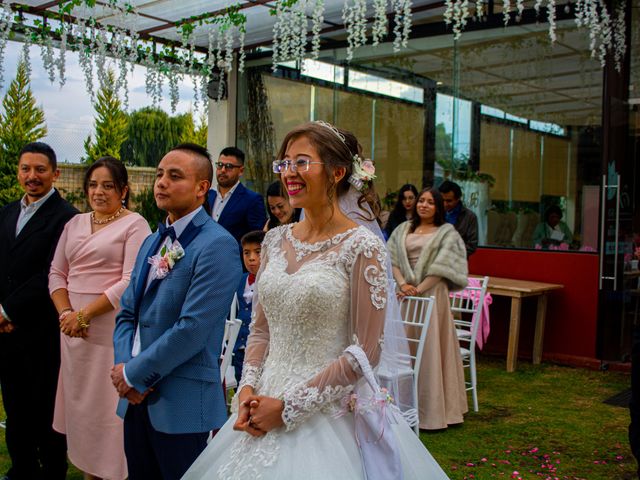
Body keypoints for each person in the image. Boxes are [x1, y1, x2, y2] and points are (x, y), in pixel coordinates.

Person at [183, 121, 448, 479]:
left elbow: (365, 352)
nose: (289, 173)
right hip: (261, 403)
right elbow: (261, 330)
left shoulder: (362, 247)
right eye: (285, 163)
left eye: (302, 162)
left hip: (324, 414)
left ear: (338, 172)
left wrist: (288, 408)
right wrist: (246, 389)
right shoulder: (274, 241)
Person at [111, 143, 242, 480]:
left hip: (181, 403)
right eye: (159, 175)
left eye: (174, 176)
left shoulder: (218, 245)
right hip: (135, 398)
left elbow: (192, 328)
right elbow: (127, 314)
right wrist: (126, 370)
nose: (161, 183)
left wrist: (135, 375)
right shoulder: (152, 241)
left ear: (202, 188)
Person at [48, 157, 151, 480]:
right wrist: (66, 314)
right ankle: (88, 472)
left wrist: (84, 314)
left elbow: (131, 280)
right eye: (93, 185)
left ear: (123, 189)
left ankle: (113, 473)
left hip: (107, 330)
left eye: (107, 185)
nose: (99, 192)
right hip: (73, 335)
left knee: (108, 412)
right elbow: (56, 273)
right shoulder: (74, 224)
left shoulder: (135, 224)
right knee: (81, 411)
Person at [0, 142, 77, 480]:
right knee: (14, 408)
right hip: (6, 333)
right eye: (25, 169)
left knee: (46, 411)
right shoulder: (5, 213)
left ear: (55, 173)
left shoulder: (68, 219)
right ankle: (21, 470)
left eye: (40, 170)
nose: (32, 176)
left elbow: (52, 272)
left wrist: (8, 310)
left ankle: (51, 471)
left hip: (42, 332)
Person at [387, 187, 469, 430]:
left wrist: (419, 288)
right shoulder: (403, 228)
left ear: (438, 207)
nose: (423, 205)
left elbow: (442, 267)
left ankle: (432, 411)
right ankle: (401, 406)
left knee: (431, 350)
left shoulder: (446, 233)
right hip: (405, 296)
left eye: (430, 202)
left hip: (432, 294)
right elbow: (391, 258)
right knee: (405, 349)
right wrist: (403, 284)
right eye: (421, 200)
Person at [206, 146, 267, 244]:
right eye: (220, 165)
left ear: (241, 171)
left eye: (229, 166)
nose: (223, 170)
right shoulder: (207, 196)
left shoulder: (252, 200)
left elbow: (257, 240)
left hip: (235, 257)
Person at [232, 230, 266, 383]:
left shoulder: (271, 281)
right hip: (240, 349)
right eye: (247, 253)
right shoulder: (239, 280)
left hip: (263, 351)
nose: (251, 258)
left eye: (258, 252)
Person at [439, 180, 479, 257]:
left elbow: (471, 245)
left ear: (458, 199)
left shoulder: (470, 217)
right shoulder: (435, 213)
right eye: (442, 200)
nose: (445, 204)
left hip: (456, 264)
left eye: (449, 201)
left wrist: (449, 253)